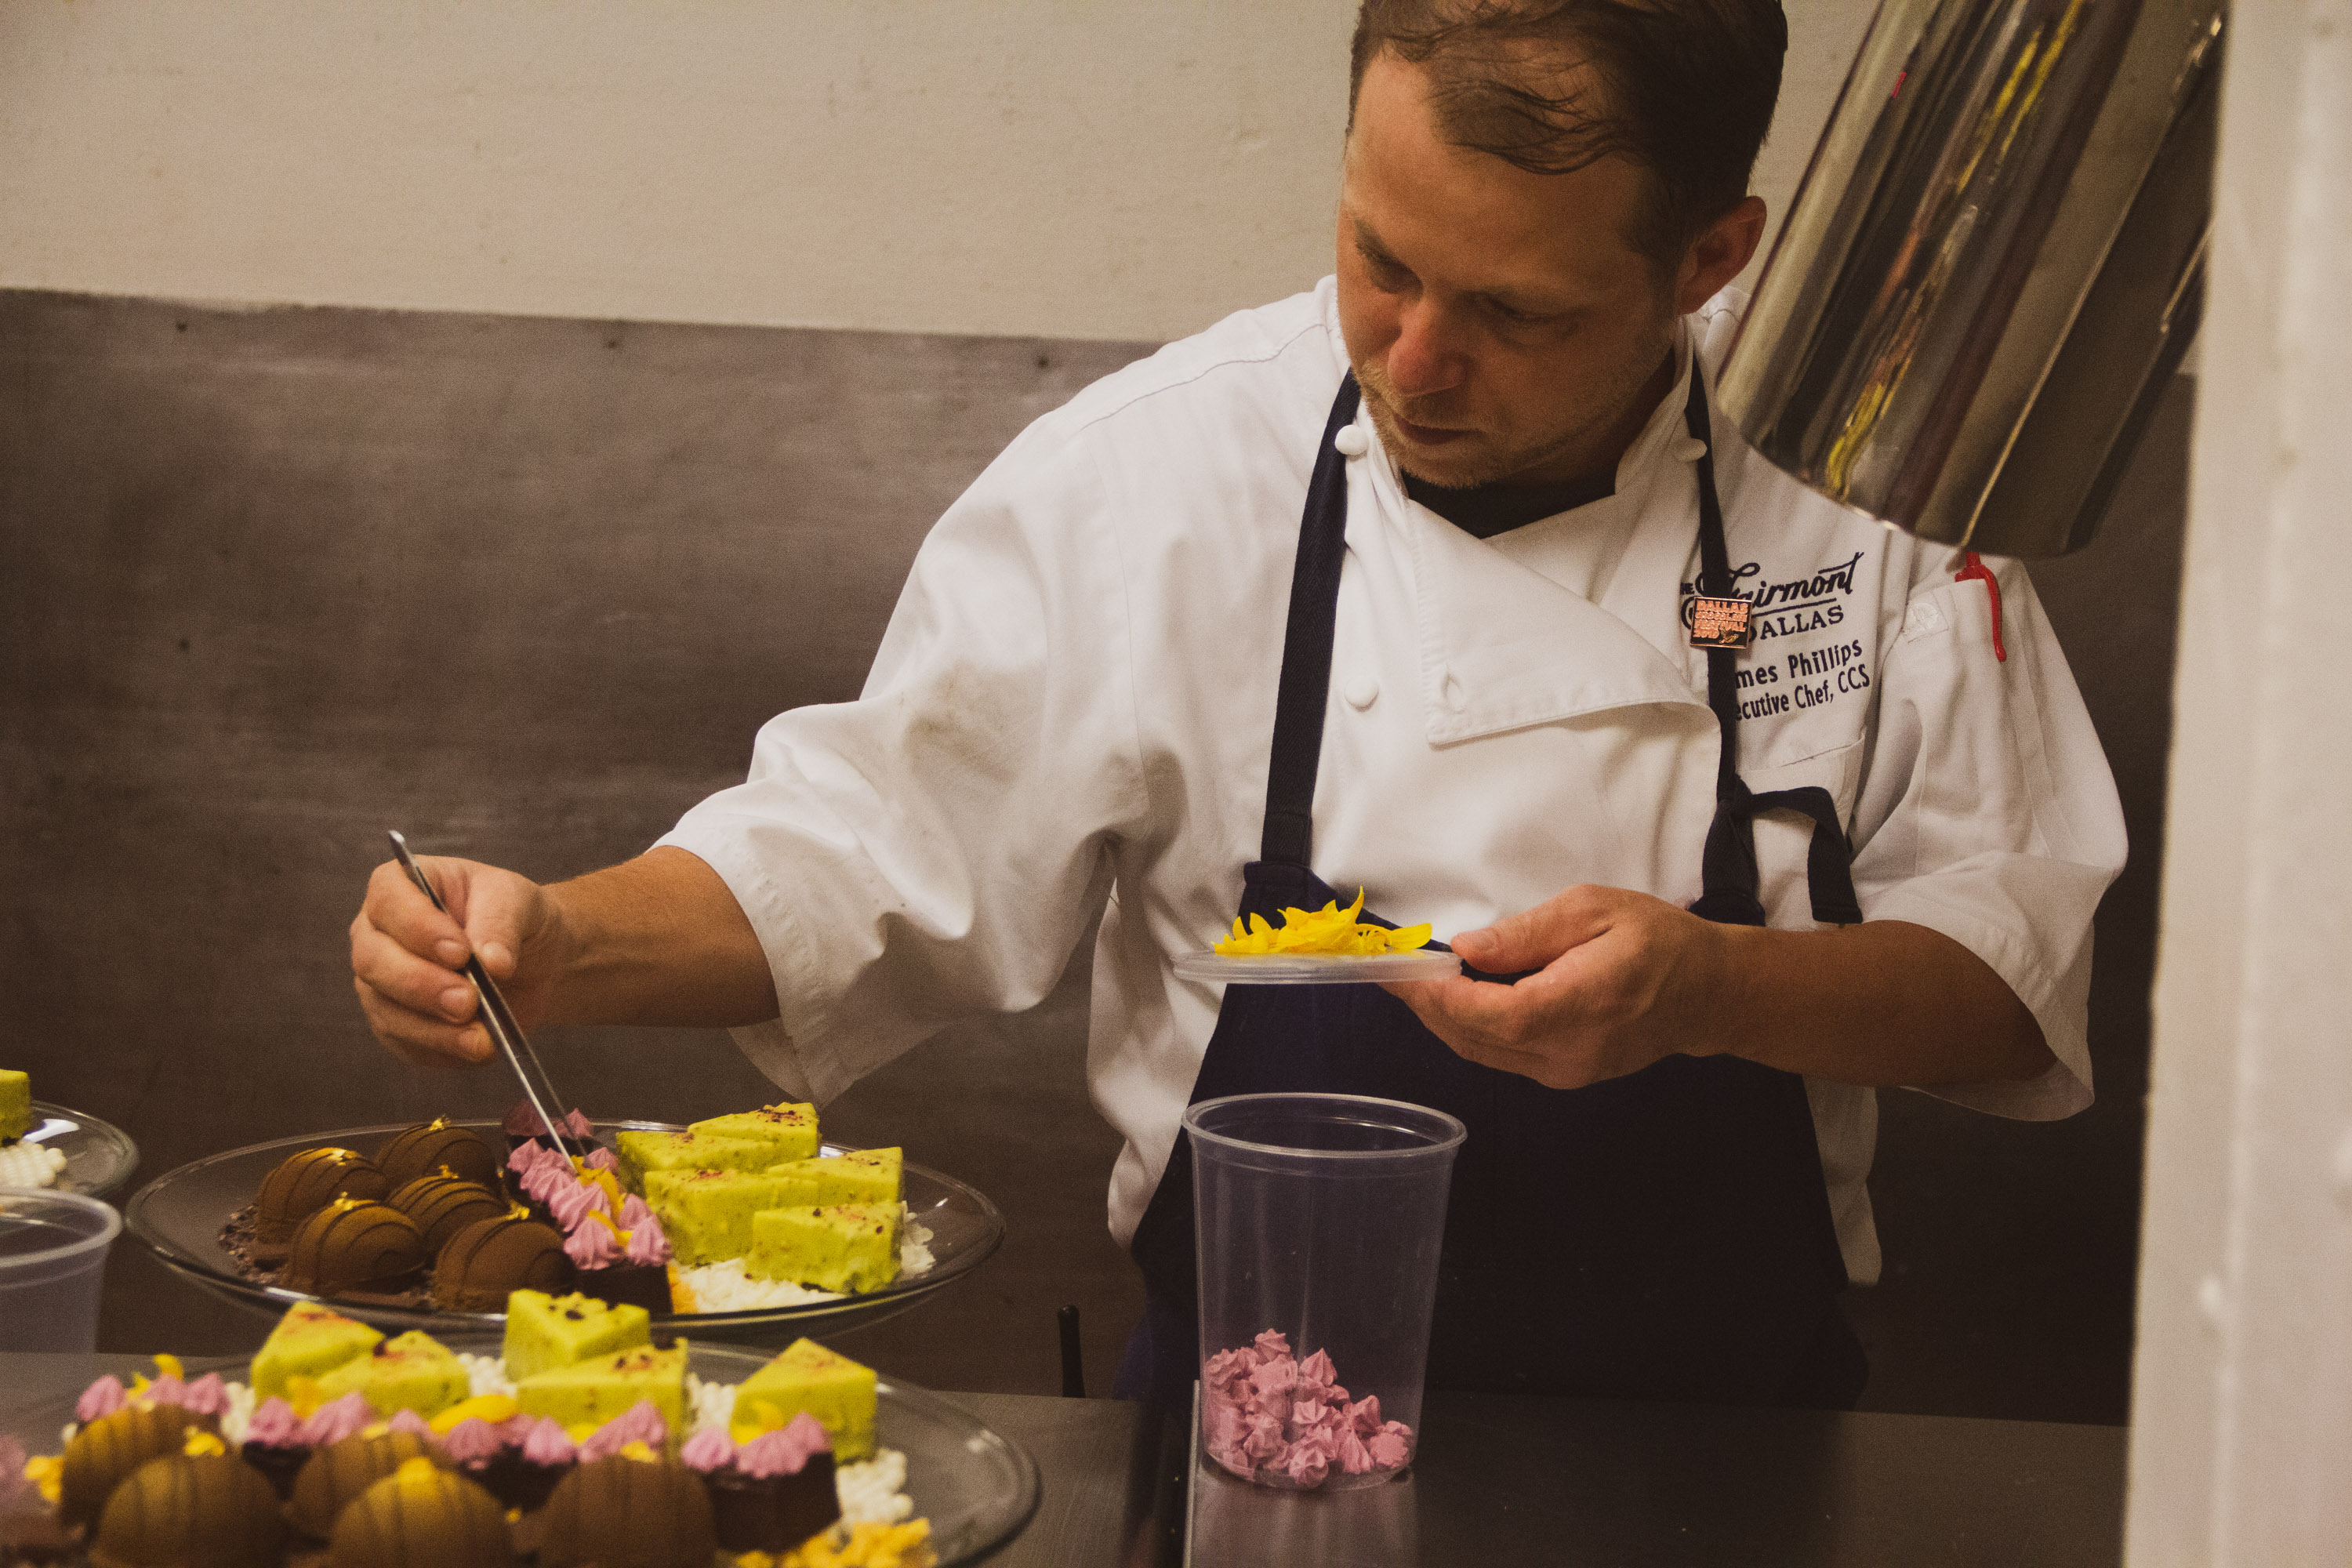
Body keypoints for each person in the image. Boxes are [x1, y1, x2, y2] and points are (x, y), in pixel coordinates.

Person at [351, 0, 2124, 1410]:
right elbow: (873, 842)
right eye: (1381, 258)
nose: (1415, 356)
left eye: (1513, 308)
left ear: (1708, 256)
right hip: (1245, 1451)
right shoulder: (1163, 476)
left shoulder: (1877, 505)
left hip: (1730, 1466)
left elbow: (2010, 978)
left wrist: (1717, 986)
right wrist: (557, 938)